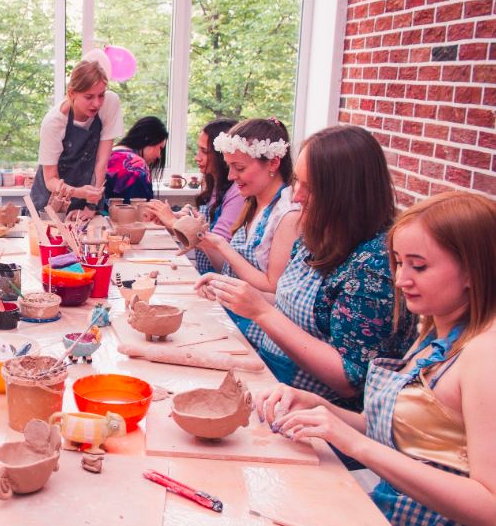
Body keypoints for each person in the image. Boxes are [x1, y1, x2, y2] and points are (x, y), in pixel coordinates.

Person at [256, 192, 496, 526]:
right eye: (399, 263)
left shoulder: (485, 356)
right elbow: (410, 433)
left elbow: (490, 507)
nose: (401, 280)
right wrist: (323, 409)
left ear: (474, 270)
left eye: (418, 266)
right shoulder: (438, 326)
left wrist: (356, 445)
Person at [198, 125, 416, 410]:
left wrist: (261, 313)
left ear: (348, 192)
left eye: (310, 188)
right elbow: (289, 302)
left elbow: (350, 380)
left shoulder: (375, 266)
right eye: (298, 181)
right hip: (275, 382)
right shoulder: (321, 232)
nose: (297, 196)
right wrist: (233, 291)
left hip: (320, 413)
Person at [194, 117, 301, 346]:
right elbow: (234, 271)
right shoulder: (254, 203)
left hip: (263, 337)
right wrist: (204, 240)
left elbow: (273, 288)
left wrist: (221, 246)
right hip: (236, 322)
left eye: (239, 168)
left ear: (273, 163)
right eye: (230, 167)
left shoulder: (288, 215)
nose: (231, 176)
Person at [143, 118, 242, 274]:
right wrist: (172, 220)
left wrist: (172, 222)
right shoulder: (215, 185)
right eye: (198, 150)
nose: (197, 157)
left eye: (204, 151)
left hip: (218, 280)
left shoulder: (237, 191)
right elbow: (199, 231)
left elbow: (218, 249)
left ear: (222, 154)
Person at [29, 59, 125, 217]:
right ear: (72, 93)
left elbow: (101, 162)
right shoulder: (54, 122)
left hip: (86, 202)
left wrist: (91, 207)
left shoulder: (109, 104)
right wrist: (78, 192)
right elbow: (51, 179)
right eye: (89, 97)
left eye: (101, 95)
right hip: (51, 202)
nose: (96, 103)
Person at [103, 116, 168, 203]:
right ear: (148, 139)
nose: (159, 155)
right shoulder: (136, 165)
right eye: (160, 148)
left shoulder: (107, 154)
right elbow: (141, 212)